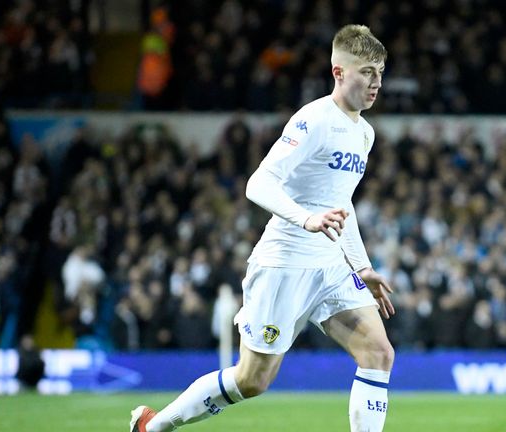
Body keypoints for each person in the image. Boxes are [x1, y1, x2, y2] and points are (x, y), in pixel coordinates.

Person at [130, 24, 395, 432]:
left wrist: (360, 266)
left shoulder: (364, 133)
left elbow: (341, 204)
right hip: (285, 265)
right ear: (338, 72)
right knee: (252, 381)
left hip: (331, 268)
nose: (376, 82)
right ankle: (153, 426)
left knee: (379, 353)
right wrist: (306, 219)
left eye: (380, 71)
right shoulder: (314, 120)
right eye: (367, 72)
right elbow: (259, 183)